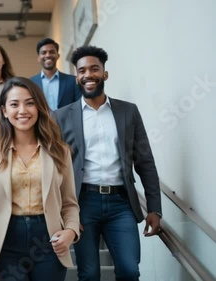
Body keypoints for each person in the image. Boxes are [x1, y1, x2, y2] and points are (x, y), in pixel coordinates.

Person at [53, 45, 162, 281]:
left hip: (121, 203)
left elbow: (145, 161)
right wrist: (62, 212)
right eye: (82, 70)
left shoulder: (128, 112)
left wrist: (154, 207)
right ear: (77, 77)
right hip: (82, 204)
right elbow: (54, 168)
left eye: (94, 69)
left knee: (129, 270)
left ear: (105, 73)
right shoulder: (61, 116)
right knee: (89, 273)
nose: (88, 75)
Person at [0, 77, 80, 281]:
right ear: (4, 111)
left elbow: (69, 203)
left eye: (30, 103)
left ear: (39, 107)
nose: (22, 110)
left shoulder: (60, 151)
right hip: (5, 242)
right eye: (14, 104)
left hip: (48, 240)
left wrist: (70, 231)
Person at [30, 38, 81, 111]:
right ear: (38, 58)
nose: (48, 55)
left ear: (58, 55)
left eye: (52, 52)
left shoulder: (73, 81)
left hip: (66, 122)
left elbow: (78, 106)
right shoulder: (31, 83)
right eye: (44, 52)